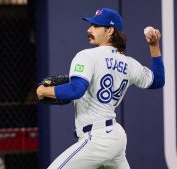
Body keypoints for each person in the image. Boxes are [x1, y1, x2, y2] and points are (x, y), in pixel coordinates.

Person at [37, 8, 165, 169]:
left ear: (110, 30)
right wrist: (154, 46)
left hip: (96, 139)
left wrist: (44, 91)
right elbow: (158, 80)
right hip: (114, 137)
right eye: (91, 25)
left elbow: (76, 90)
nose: (89, 29)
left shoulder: (87, 56)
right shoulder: (129, 63)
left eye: (96, 26)